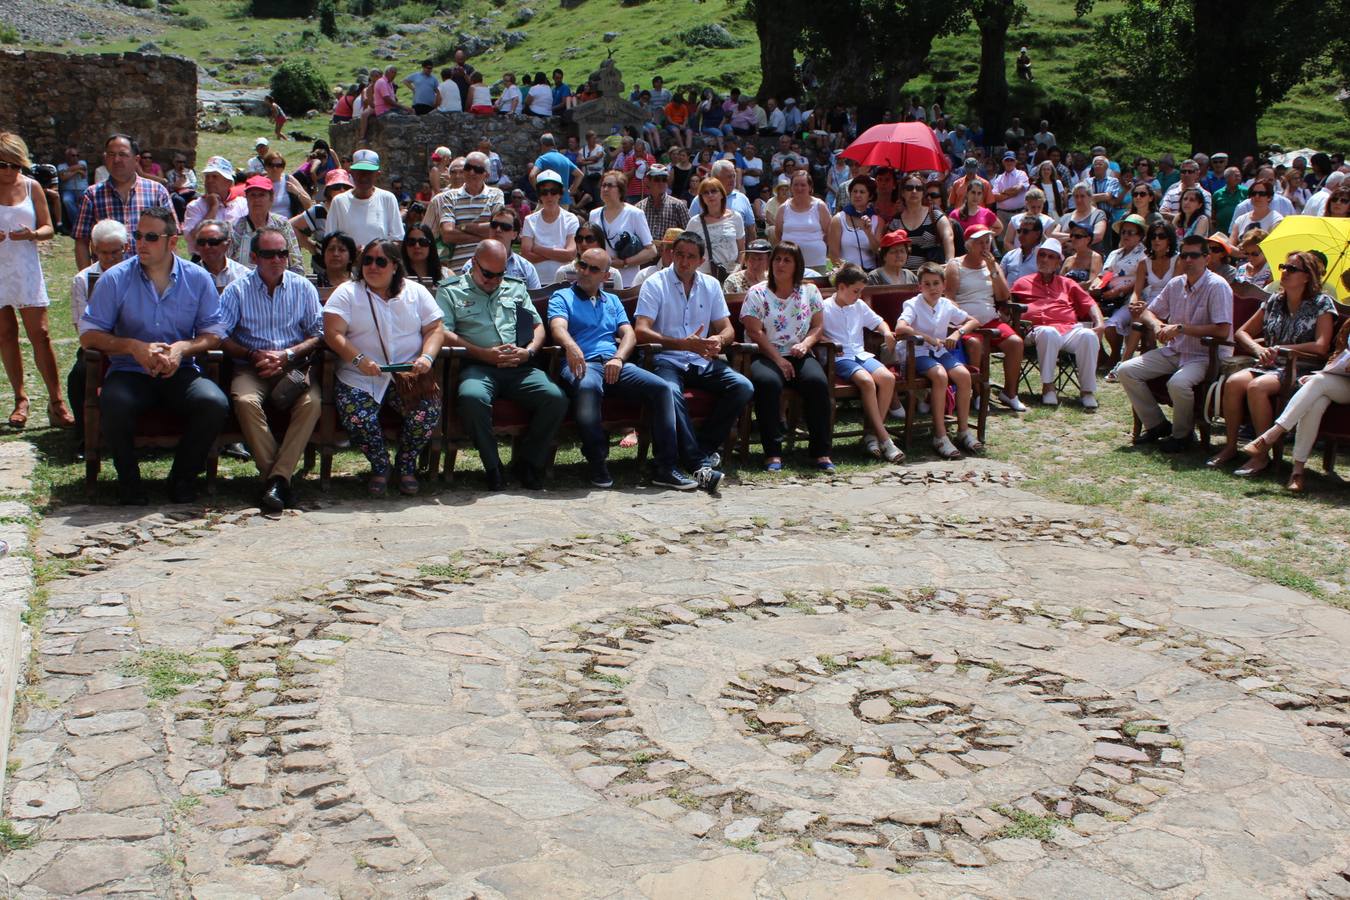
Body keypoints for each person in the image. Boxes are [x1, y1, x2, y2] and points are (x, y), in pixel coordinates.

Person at [78, 207, 229, 504]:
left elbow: (214, 333)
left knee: (213, 403)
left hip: (180, 369)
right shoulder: (115, 278)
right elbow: (89, 335)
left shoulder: (198, 278)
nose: (141, 243)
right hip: (129, 370)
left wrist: (181, 349)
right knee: (114, 400)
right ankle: (129, 484)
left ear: (172, 242)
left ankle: (182, 479)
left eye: (151, 237)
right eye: (137, 235)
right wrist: (134, 347)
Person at [548, 247, 707, 491]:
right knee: (588, 386)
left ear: (605, 276)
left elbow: (629, 333)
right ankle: (597, 460)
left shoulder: (612, 300)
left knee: (662, 388)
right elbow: (558, 327)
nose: (584, 271)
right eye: (582, 265)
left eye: (593, 268)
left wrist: (619, 358)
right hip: (582, 363)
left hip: (614, 363)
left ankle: (665, 467)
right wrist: (571, 346)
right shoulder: (562, 297)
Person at [436, 240, 566, 491]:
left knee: (555, 398)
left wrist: (527, 352)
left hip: (519, 365)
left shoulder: (515, 288)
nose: (493, 280)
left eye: (499, 275)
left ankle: (526, 463)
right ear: (474, 264)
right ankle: (493, 466)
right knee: (472, 397)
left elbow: (537, 326)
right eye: (487, 274)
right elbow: (443, 332)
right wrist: (483, 354)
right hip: (478, 365)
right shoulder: (451, 290)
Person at [322, 238, 443, 496]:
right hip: (359, 376)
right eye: (367, 260)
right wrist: (358, 359)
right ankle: (380, 467)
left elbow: (435, 328)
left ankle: (406, 465)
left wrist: (427, 358)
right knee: (358, 416)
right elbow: (333, 333)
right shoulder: (347, 292)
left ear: (395, 266)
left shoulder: (415, 291)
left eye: (380, 261)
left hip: (407, 375)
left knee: (427, 410)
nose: (372, 267)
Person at [218, 227, 324, 511]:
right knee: (244, 400)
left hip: (292, 368)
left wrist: (288, 354)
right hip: (251, 366)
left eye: (283, 253)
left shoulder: (303, 288)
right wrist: (252, 354)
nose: (277, 259)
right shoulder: (237, 289)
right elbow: (221, 335)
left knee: (312, 403)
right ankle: (279, 479)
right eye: (269, 254)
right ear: (254, 257)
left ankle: (275, 480)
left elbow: (319, 334)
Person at [634, 231, 752, 476]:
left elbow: (727, 328)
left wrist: (719, 340)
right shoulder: (655, 283)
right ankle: (696, 460)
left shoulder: (710, 284)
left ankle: (702, 447)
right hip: (666, 359)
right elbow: (641, 331)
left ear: (701, 260)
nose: (683, 261)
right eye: (679, 254)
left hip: (701, 359)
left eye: (690, 256)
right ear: (671, 255)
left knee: (743, 386)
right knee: (670, 391)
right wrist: (681, 344)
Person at [1209, 251, 1334, 473]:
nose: (1285, 272)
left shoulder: (1321, 303)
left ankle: (1261, 454)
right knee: (1234, 382)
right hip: (1267, 363)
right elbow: (1242, 332)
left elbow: (1322, 346)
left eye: (1292, 269)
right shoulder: (1275, 300)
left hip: (1299, 367)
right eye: (1283, 267)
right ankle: (1230, 447)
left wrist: (1283, 350)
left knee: (1257, 387)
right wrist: (1259, 348)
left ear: (1307, 276)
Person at [1116, 233, 1233, 451]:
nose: (1188, 260)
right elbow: (1148, 313)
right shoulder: (1176, 284)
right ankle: (1157, 425)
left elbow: (1222, 330)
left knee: (1177, 384)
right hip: (1176, 351)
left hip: (1206, 356)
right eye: (1185, 255)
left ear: (1207, 259)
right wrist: (1158, 326)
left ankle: (1182, 435)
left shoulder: (1217, 286)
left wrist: (1181, 328)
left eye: (1194, 255)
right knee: (1126, 370)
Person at [0, 132, 73, 429]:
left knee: (40, 334)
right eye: (1, 165)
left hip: (25, 267)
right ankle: (20, 398)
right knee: (5, 335)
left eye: (14, 165)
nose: (7, 171)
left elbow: (48, 227)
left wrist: (32, 235)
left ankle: (56, 402)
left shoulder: (32, 187)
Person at [741, 241, 833, 472]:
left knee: (817, 382)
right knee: (768, 383)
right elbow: (754, 331)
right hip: (764, 353)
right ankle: (772, 453)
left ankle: (820, 452)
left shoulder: (809, 291)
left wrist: (806, 344)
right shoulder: (757, 292)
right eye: (777, 259)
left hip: (798, 352)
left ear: (797, 265)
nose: (780, 264)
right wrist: (778, 359)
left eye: (787, 260)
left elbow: (818, 327)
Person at [897, 261, 983, 458]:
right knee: (940, 375)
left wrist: (957, 334)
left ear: (944, 285)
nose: (932, 288)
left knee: (963, 376)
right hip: (916, 353)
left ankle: (963, 430)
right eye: (926, 284)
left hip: (939, 351)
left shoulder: (946, 305)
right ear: (920, 287)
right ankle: (940, 434)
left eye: (936, 283)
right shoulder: (913, 304)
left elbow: (973, 321)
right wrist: (926, 338)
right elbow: (901, 327)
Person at [1010, 237, 1105, 408]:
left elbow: (1089, 303)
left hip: (1068, 329)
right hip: (1035, 330)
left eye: (1051, 257)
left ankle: (1087, 391)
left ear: (1058, 264)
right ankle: (1048, 388)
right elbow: (1007, 304)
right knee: (1049, 332)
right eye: (1042, 255)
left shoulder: (1067, 284)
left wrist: (1100, 324)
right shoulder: (1022, 282)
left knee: (1088, 335)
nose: (1045, 259)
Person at [823, 264, 904, 461]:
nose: (858, 296)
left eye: (860, 291)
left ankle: (871, 434)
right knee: (867, 382)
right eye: (855, 291)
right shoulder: (825, 307)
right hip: (840, 358)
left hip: (860, 354)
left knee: (886, 378)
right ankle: (884, 438)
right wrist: (828, 343)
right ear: (841, 287)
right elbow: (815, 332)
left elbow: (878, 321)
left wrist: (885, 332)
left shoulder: (858, 305)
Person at [946, 224, 1025, 411]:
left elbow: (1003, 297)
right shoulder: (955, 265)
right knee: (975, 345)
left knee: (1015, 342)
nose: (985, 247)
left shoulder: (992, 265)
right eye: (980, 243)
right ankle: (979, 393)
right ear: (969, 245)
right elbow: (949, 297)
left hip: (990, 318)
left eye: (987, 242)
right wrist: (963, 317)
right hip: (966, 321)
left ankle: (1010, 393)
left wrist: (993, 271)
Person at [73, 134, 173, 270]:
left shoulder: (157, 192)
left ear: (136, 159)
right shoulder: (92, 195)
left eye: (123, 154)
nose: (117, 160)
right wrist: (89, 281)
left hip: (149, 277)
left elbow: (170, 237)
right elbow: (81, 241)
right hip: (108, 278)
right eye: (111, 154)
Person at [439, 150, 504, 270]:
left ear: (487, 175)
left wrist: (462, 227)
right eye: (468, 168)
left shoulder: (496, 194)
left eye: (478, 169)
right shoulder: (449, 196)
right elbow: (448, 234)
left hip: (489, 270)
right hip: (458, 271)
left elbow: (497, 228)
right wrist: (483, 236)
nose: (472, 172)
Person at [1095, 214, 1148, 362]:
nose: (1126, 235)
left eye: (1131, 232)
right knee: (1088, 315)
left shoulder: (1145, 254)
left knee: (1111, 326)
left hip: (1132, 299)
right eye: (1124, 232)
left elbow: (1144, 279)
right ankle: (1100, 356)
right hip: (1108, 297)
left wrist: (1120, 291)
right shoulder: (1114, 253)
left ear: (1140, 236)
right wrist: (1096, 287)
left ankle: (1116, 355)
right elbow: (1104, 274)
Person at [590, 171, 656, 288]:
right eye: (603, 185)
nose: (605, 189)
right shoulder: (594, 214)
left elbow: (651, 251)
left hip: (627, 283)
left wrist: (625, 263)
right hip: (599, 282)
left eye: (610, 186)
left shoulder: (635, 214)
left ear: (621, 190)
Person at [326, 149, 403, 248]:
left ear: (377, 174)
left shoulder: (388, 199)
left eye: (368, 172)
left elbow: (398, 239)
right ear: (352, 173)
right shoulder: (339, 202)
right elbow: (330, 240)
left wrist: (372, 253)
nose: (363, 177)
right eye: (360, 172)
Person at [230, 175, 304, 274]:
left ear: (271, 198)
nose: (257, 200)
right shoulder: (235, 227)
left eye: (261, 195)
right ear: (246, 198)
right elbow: (228, 264)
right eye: (253, 195)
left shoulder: (282, 224)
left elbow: (296, 262)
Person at [456, 207, 540, 288]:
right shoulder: (470, 266)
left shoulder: (526, 268)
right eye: (494, 225)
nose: (498, 229)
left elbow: (535, 300)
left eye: (505, 227)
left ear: (514, 234)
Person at [521, 170, 579, 285]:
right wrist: (557, 255)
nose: (549, 196)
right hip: (536, 282)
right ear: (539, 195)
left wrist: (537, 248)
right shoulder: (529, 220)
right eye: (544, 192)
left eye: (554, 191)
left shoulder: (571, 219)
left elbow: (571, 254)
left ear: (560, 193)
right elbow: (526, 255)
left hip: (565, 282)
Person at [890, 173, 953, 271]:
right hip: (904, 277)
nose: (914, 191)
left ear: (923, 193)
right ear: (902, 192)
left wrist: (949, 262)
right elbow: (886, 248)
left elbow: (948, 236)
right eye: (909, 188)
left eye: (919, 188)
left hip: (931, 276)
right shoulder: (896, 221)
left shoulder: (934, 214)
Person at [289, 168, 353, 264]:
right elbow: (289, 226)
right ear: (328, 190)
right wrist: (310, 246)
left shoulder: (355, 209)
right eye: (337, 186)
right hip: (323, 267)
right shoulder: (318, 211)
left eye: (346, 187)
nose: (342, 190)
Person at [689, 176, 745, 279]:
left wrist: (738, 270)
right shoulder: (694, 222)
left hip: (732, 276)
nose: (710, 195)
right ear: (702, 198)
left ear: (722, 194)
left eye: (714, 191)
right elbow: (688, 250)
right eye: (705, 192)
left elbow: (742, 250)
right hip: (705, 277)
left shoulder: (736, 217)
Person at [688, 159, 757, 240]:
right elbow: (691, 231)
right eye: (728, 176)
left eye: (733, 176)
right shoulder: (700, 200)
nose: (732, 180)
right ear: (716, 178)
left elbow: (751, 229)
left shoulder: (742, 199)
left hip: (736, 251)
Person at [775, 171, 830, 269]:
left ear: (810, 187)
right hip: (789, 265)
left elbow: (829, 234)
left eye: (803, 185)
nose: (799, 188)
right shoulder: (783, 208)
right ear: (791, 187)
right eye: (795, 185)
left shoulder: (820, 206)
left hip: (816, 262)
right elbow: (778, 234)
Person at [183, 156, 246, 238]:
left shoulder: (243, 204)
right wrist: (213, 208)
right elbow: (194, 237)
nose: (209, 180)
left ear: (228, 182)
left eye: (215, 177)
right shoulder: (195, 206)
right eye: (207, 176)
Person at [829, 175, 882, 270]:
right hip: (847, 274)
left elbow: (878, 251)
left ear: (870, 196)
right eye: (854, 191)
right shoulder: (838, 219)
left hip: (871, 275)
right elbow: (833, 255)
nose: (857, 195)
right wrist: (849, 273)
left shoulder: (878, 220)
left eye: (862, 192)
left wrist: (869, 233)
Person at [637, 164, 689, 244]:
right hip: (646, 254)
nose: (661, 183)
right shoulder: (639, 208)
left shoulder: (678, 206)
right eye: (657, 179)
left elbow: (689, 235)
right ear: (648, 181)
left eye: (664, 179)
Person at [192, 218, 250, 290]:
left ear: (227, 244)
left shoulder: (243, 275)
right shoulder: (188, 277)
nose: (206, 247)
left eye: (213, 242)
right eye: (201, 242)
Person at [529, 133, 583, 206]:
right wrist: (570, 191)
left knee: (534, 217)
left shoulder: (542, 159)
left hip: (548, 200)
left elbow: (532, 175)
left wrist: (541, 192)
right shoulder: (565, 159)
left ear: (542, 145)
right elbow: (580, 175)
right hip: (564, 201)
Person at [949, 180, 1001, 256]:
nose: (976, 196)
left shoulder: (986, 213)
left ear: (982, 196)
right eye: (973, 192)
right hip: (961, 254)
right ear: (967, 193)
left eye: (979, 193)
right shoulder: (955, 214)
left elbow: (999, 227)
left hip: (981, 254)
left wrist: (985, 237)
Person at [1229, 178, 1283, 246]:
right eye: (1253, 193)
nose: (1257, 196)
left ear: (1269, 197)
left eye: (1261, 194)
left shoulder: (1277, 220)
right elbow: (1230, 245)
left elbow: (1275, 245)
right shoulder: (1241, 219)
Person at [991, 151, 1029, 232]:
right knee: (1001, 241)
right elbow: (995, 197)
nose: (1009, 162)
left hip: (1019, 213)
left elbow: (1017, 189)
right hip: (1002, 215)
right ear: (1003, 162)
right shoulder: (999, 178)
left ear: (1016, 162)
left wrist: (1003, 192)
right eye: (1007, 160)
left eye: (1011, 160)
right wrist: (1013, 193)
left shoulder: (1021, 174)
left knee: (1019, 240)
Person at [1000, 213, 1045, 284]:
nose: (1020, 235)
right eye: (1019, 231)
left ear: (1037, 234)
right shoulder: (1009, 255)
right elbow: (1000, 280)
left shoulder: (1045, 257)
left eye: (1025, 232)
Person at [57, 146, 89, 234]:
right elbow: (63, 178)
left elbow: (83, 172)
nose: (76, 158)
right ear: (67, 157)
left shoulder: (83, 162)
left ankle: (84, 224)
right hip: (68, 190)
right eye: (73, 156)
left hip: (82, 189)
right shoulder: (61, 166)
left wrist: (68, 171)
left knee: (86, 200)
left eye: (77, 155)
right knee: (67, 200)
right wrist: (76, 171)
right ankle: (78, 224)